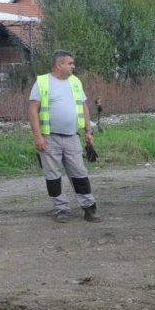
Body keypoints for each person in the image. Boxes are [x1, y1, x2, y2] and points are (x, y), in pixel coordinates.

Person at [28, 51, 102, 223]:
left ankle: (89, 207)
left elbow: (83, 108)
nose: (73, 66)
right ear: (59, 64)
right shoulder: (42, 82)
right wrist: (38, 137)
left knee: (80, 173)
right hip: (49, 138)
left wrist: (88, 132)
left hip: (72, 137)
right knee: (53, 176)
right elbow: (32, 110)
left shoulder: (75, 82)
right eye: (70, 63)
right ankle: (61, 208)